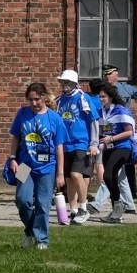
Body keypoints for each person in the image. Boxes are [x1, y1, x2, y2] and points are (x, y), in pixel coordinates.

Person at [5, 82, 66, 249]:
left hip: (47, 168)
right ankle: (31, 230)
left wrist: (60, 173)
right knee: (22, 200)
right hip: (24, 166)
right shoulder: (23, 113)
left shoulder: (55, 119)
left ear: (45, 98)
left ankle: (41, 239)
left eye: (37, 99)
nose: (33, 103)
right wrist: (12, 158)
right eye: (30, 100)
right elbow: (16, 137)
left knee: (42, 204)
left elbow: (60, 147)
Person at [55, 70, 100, 225]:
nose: (64, 85)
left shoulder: (82, 97)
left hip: (80, 143)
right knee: (68, 179)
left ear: (74, 83)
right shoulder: (60, 100)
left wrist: (94, 144)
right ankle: (73, 210)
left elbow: (93, 120)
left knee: (76, 174)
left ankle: (83, 207)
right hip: (65, 144)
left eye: (67, 82)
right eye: (62, 82)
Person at [96, 81, 137, 224]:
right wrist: (100, 140)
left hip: (122, 147)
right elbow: (102, 131)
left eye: (104, 97)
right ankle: (116, 211)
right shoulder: (101, 112)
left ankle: (119, 205)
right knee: (108, 178)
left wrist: (111, 138)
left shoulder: (120, 110)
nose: (101, 99)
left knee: (108, 173)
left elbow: (129, 132)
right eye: (100, 97)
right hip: (108, 147)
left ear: (111, 97)